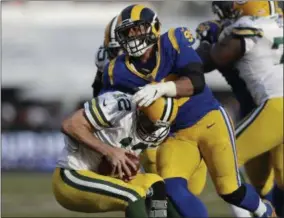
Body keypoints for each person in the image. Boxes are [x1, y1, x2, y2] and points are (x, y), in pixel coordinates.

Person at [101, 4, 276, 217]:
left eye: (138, 30)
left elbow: (196, 81)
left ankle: (265, 211)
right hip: (174, 135)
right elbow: (110, 110)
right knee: (171, 189)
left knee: (230, 189)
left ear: (154, 27)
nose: (134, 38)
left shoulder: (172, 41)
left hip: (208, 120)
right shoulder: (116, 71)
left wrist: (163, 88)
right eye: (128, 33)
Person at [195, 1, 283, 217]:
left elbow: (210, 60)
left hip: (276, 106)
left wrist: (208, 42)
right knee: (275, 179)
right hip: (272, 105)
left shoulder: (246, 28)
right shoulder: (277, 23)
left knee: (222, 158)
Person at [52, 90, 179, 218]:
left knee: (156, 184)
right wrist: (109, 151)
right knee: (133, 196)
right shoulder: (117, 106)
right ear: (140, 109)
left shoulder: (160, 126)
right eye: (149, 123)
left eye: (156, 127)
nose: (151, 130)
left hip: (106, 176)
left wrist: (129, 170)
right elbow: (70, 125)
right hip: (72, 174)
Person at [92, 15, 123, 97]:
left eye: (123, 50)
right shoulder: (104, 59)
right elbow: (97, 90)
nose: (119, 54)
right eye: (115, 50)